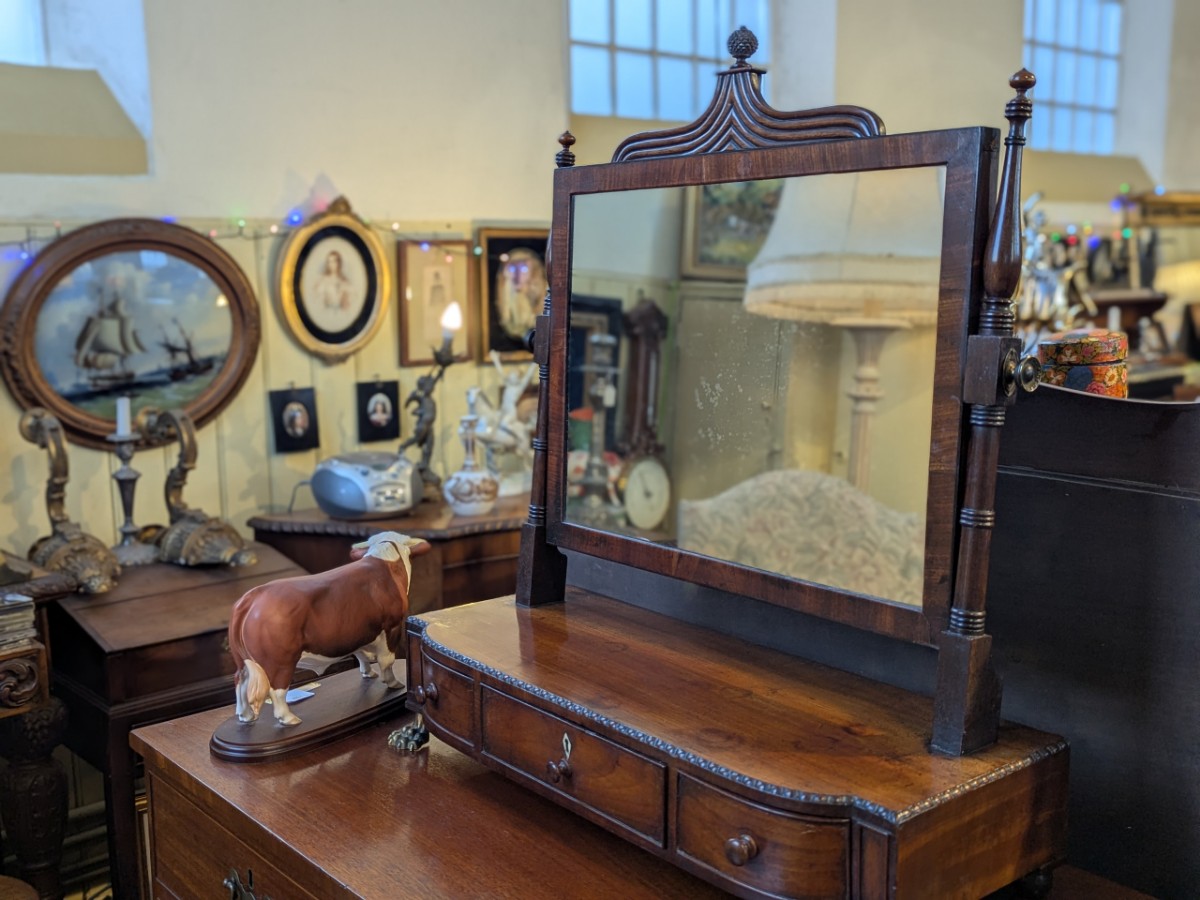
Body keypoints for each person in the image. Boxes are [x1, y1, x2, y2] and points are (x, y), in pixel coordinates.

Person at [495, 247, 546, 340]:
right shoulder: (507, 299)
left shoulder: (541, 299)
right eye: (512, 269)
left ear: (534, 272)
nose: (517, 276)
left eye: (524, 269)